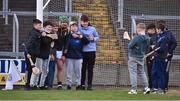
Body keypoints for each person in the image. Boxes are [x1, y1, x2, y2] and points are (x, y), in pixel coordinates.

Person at [30, 21, 57, 90]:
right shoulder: (42, 33)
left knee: (45, 71)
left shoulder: (49, 34)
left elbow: (55, 39)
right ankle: (34, 84)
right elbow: (45, 41)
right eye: (49, 27)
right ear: (44, 27)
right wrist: (51, 37)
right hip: (40, 54)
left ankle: (41, 85)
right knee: (38, 70)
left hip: (47, 54)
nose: (50, 28)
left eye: (51, 27)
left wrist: (51, 36)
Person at [64, 21, 89, 90]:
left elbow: (87, 42)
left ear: (77, 27)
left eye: (75, 26)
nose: (74, 27)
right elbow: (64, 42)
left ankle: (78, 85)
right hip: (69, 57)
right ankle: (69, 85)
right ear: (70, 27)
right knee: (69, 72)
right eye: (72, 26)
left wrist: (80, 37)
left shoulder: (80, 35)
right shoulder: (68, 35)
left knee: (78, 73)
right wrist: (71, 34)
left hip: (78, 57)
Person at [128, 23, 150, 95]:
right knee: (142, 72)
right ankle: (146, 88)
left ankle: (134, 90)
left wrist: (132, 40)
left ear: (139, 29)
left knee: (133, 73)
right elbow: (147, 47)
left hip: (133, 57)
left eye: (137, 29)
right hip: (141, 57)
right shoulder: (147, 38)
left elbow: (130, 46)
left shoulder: (137, 38)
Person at [79, 15, 99, 90]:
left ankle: (89, 85)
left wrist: (93, 38)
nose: (85, 23)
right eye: (83, 21)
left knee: (90, 68)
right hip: (83, 51)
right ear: (81, 21)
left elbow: (97, 37)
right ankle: (82, 84)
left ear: (88, 22)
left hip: (91, 51)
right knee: (83, 68)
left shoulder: (92, 29)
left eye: (86, 21)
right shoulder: (79, 29)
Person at [156, 20, 177, 91]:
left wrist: (169, 51)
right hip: (160, 56)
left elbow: (174, 43)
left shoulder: (169, 33)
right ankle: (159, 86)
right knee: (160, 71)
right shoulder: (159, 35)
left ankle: (165, 87)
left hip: (167, 56)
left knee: (165, 71)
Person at [151, 22, 169, 94]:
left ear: (159, 29)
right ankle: (155, 88)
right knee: (154, 72)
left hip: (161, 58)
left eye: (157, 29)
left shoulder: (164, 38)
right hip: (156, 57)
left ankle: (161, 88)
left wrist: (154, 48)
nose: (156, 30)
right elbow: (156, 46)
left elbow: (161, 48)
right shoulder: (158, 37)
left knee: (161, 73)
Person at [24, 19, 42, 90]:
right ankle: (27, 84)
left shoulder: (37, 32)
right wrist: (28, 53)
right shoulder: (34, 33)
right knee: (29, 68)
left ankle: (29, 84)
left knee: (31, 69)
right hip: (30, 53)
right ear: (35, 25)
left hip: (33, 53)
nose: (40, 26)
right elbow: (29, 43)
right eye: (39, 25)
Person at [54, 16, 69, 90]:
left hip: (60, 52)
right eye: (63, 22)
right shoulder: (55, 29)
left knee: (60, 68)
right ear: (60, 22)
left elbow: (67, 44)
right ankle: (45, 84)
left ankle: (59, 84)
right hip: (53, 51)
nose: (64, 24)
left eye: (65, 22)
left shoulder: (67, 32)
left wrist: (64, 55)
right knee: (49, 68)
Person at [44, 22, 59, 88]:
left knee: (51, 69)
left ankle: (49, 84)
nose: (54, 29)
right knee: (47, 69)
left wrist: (52, 54)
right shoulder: (45, 33)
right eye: (54, 27)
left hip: (52, 52)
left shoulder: (53, 34)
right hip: (47, 53)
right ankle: (46, 83)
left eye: (56, 28)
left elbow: (55, 38)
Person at [145, 23, 157, 89]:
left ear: (153, 30)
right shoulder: (149, 37)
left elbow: (154, 48)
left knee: (153, 72)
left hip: (153, 57)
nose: (147, 32)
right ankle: (151, 86)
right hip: (148, 57)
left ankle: (153, 86)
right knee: (149, 72)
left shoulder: (155, 37)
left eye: (148, 30)